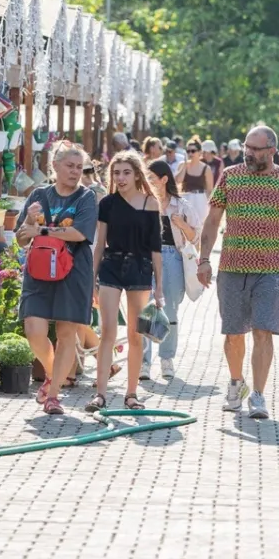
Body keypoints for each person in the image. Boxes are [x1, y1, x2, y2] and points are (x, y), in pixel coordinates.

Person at [197, 126, 279, 419]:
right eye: (247, 147)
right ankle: (236, 384)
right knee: (234, 333)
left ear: (272, 150)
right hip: (232, 267)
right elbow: (212, 219)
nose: (249, 153)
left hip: (271, 270)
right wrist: (204, 259)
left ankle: (258, 395)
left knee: (263, 332)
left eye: (256, 149)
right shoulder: (230, 176)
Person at [16, 145, 99, 416]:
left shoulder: (87, 197)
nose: (75, 172)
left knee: (66, 334)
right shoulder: (39, 195)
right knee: (34, 331)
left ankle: (53, 397)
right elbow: (20, 237)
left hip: (74, 270)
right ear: (55, 165)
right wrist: (29, 219)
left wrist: (40, 228)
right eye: (70, 166)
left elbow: (78, 233)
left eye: (79, 167)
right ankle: (54, 375)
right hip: (40, 270)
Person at [90, 151, 164, 412]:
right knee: (108, 330)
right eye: (116, 173)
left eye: (126, 172)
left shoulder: (150, 204)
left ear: (136, 174)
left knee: (135, 334)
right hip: (111, 267)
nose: (120, 178)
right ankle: (100, 394)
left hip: (141, 270)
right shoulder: (107, 203)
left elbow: (156, 249)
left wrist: (160, 289)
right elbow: (100, 244)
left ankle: (131, 394)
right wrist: (92, 280)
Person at [141, 159, 202, 380]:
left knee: (170, 311)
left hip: (173, 257)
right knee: (145, 310)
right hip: (147, 257)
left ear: (164, 179)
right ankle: (143, 362)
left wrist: (182, 225)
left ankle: (166, 358)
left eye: (151, 178)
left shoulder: (181, 205)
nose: (147, 182)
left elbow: (196, 237)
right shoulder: (143, 202)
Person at [176, 136, 215, 228]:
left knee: (198, 228)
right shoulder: (182, 165)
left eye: (193, 151)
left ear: (200, 152)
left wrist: (212, 209)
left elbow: (209, 190)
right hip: (185, 198)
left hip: (200, 199)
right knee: (184, 227)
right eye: (188, 151)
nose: (190, 153)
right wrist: (185, 164)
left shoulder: (206, 168)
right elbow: (178, 181)